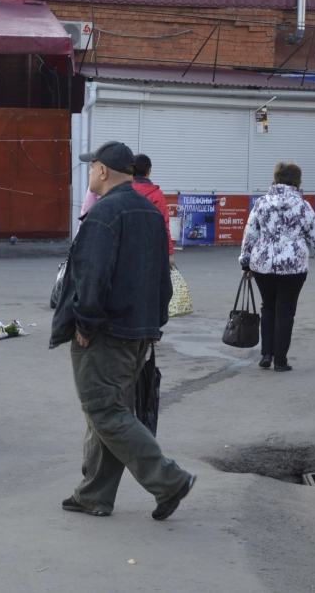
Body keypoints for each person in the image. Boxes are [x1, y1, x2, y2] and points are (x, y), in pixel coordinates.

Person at [50, 141, 195, 520]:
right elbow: (164, 275)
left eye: (91, 166)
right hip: (139, 330)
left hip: (106, 332)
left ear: (102, 171)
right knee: (109, 411)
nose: (89, 173)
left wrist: (85, 321)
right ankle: (94, 494)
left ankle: (169, 480)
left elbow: (91, 278)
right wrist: (153, 324)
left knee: (104, 410)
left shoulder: (103, 215)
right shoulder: (150, 212)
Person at [239, 162, 315, 373]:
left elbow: (250, 233)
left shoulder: (261, 203)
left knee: (268, 307)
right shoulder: (302, 206)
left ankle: (266, 354)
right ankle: (280, 360)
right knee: (286, 311)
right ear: (297, 181)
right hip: (293, 268)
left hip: (262, 266)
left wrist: (245, 262)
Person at [132, 155, 175, 268]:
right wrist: (169, 252)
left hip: (127, 247)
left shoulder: (124, 191)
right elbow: (164, 225)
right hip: (151, 248)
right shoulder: (156, 194)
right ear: (149, 170)